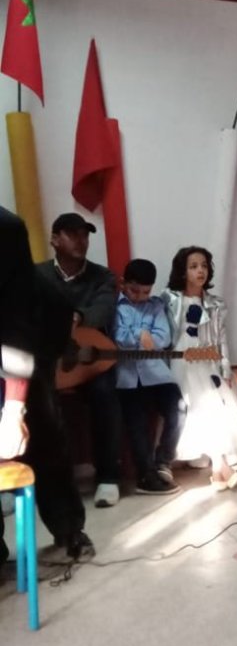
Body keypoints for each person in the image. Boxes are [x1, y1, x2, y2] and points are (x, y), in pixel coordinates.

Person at [1, 207, 93, 565]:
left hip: (32, 340)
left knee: (43, 439)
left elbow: (17, 330)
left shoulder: (6, 230)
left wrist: (13, 409)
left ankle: (69, 529)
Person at [36, 213, 122, 507]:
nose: (81, 240)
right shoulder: (36, 276)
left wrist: (78, 316)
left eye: (84, 234)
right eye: (72, 234)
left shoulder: (103, 276)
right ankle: (45, 481)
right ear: (54, 239)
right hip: (50, 363)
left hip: (89, 361)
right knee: (35, 401)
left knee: (105, 393)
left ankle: (108, 477)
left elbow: (104, 309)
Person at [162, 246, 237, 491]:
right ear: (182, 271)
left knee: (215, 407)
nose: (200, 271)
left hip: (208, 360)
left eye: (204, 266)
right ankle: (219, 466)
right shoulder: (171, 299)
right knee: (200, 407)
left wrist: (225, 367)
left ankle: (218, 467)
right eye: (193, 266)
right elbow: (166, 336)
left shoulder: (215, 304)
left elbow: (221, 338)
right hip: (182, 360)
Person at [113, 258, 183, 496]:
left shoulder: (156, 306)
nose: (140, 297)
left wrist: (143, 337)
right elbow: (118, 338)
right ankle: (146, 475)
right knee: (138, 424)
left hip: (157, 374)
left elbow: (163, 338)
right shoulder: (115, 307)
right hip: (127, 377)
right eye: (134, 291)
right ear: (123, 283)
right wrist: (141, 334)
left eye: (146, 292)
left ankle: (163, 461)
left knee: (178, 409)